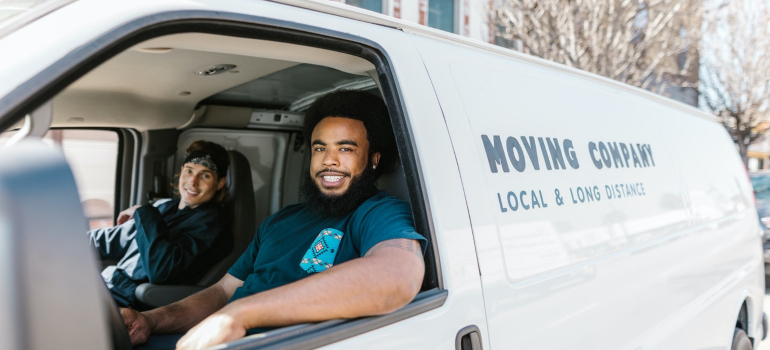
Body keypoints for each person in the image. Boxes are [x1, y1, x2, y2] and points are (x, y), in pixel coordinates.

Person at [121, 90, 427, 350]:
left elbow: (399, 276)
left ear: (373, 159)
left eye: (345, 149)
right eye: (320, 148)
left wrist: (240, 315)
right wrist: (150, 320)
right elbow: (222, 292)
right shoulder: (280, 220)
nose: (328, 160)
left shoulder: (377, 212)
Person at [89, 140, 233, 308]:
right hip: (105, 286)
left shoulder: (212, 227)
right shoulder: (164, 207)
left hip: (128, 302)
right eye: (189, 171)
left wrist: (143, 213)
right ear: (182, 172)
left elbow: (161, 269)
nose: (193, 181)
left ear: (220, 182)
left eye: (205, 175)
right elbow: (109, 240)